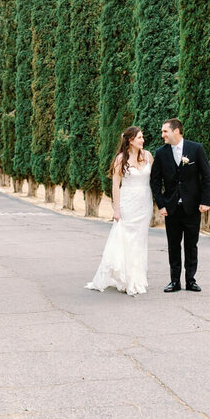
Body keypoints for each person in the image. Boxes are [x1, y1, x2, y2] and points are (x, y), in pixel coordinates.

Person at [85, 126, 153, 296]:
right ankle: (126, 278)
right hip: (128, 203)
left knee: (139, 240)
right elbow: (116, 184)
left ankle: (137, 277)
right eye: (139, 138)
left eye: (142, 137)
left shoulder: (148, 156)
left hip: (144, 203)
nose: (142, 140)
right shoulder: (120, 159)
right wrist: (116, 209)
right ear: (130, 140)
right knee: (126, 239)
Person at [150, 119, 210, 292]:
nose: (162, 135)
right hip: (171, 208)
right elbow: (155, 182)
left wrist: (205, 201)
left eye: (165, 131)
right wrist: (161, 204)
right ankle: (174, 281)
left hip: (192, 207)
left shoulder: (196, 149)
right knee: (173, 245)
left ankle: (191, 280)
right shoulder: (161, 153)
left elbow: (206, 177)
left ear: (176, 131)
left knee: (191, 245)